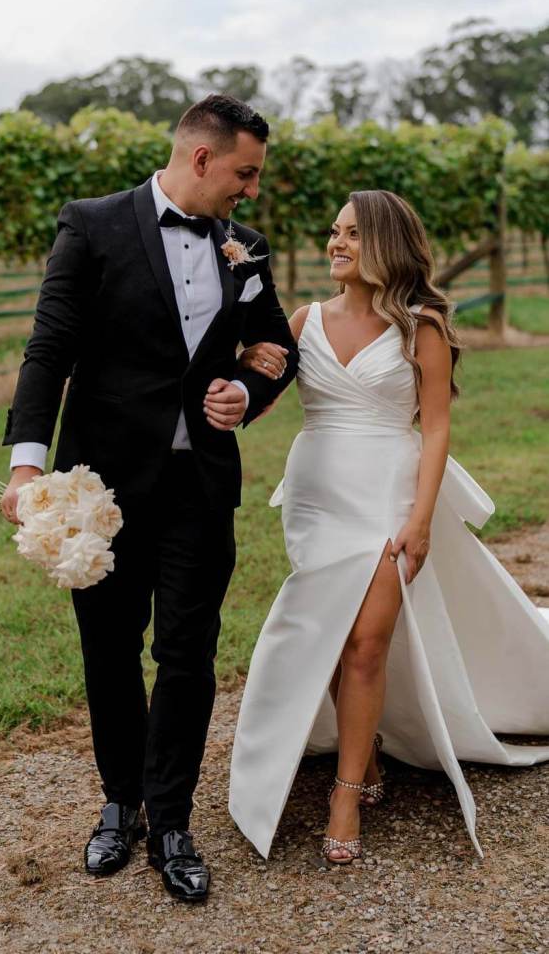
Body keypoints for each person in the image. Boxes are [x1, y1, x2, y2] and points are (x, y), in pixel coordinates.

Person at [0, 95, 298, 902]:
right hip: (102, 495)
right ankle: (119, 803)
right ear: (201, 158)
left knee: (187, 657)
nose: (251, 191)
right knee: (108, 650)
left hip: (199, 489)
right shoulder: (91, 225)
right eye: (245, 172)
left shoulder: (245, 247)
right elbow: (48, 348)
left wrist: (241, 385)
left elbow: (276, 346)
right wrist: (28, 468)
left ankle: (170, 819)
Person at [228, 189, 549, 864]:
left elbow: (434, 427)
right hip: (315, 497)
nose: (334, 243)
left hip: (385, 495)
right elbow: (255, 403)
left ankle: (346, 794)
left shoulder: (418, 325)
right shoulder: (301, 319)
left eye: (350, 233)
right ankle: (364, 753)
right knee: (328, 632)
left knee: (365, 646)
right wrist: (233, 372)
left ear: (382, 244)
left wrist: (421, 518)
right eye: (332, 231)